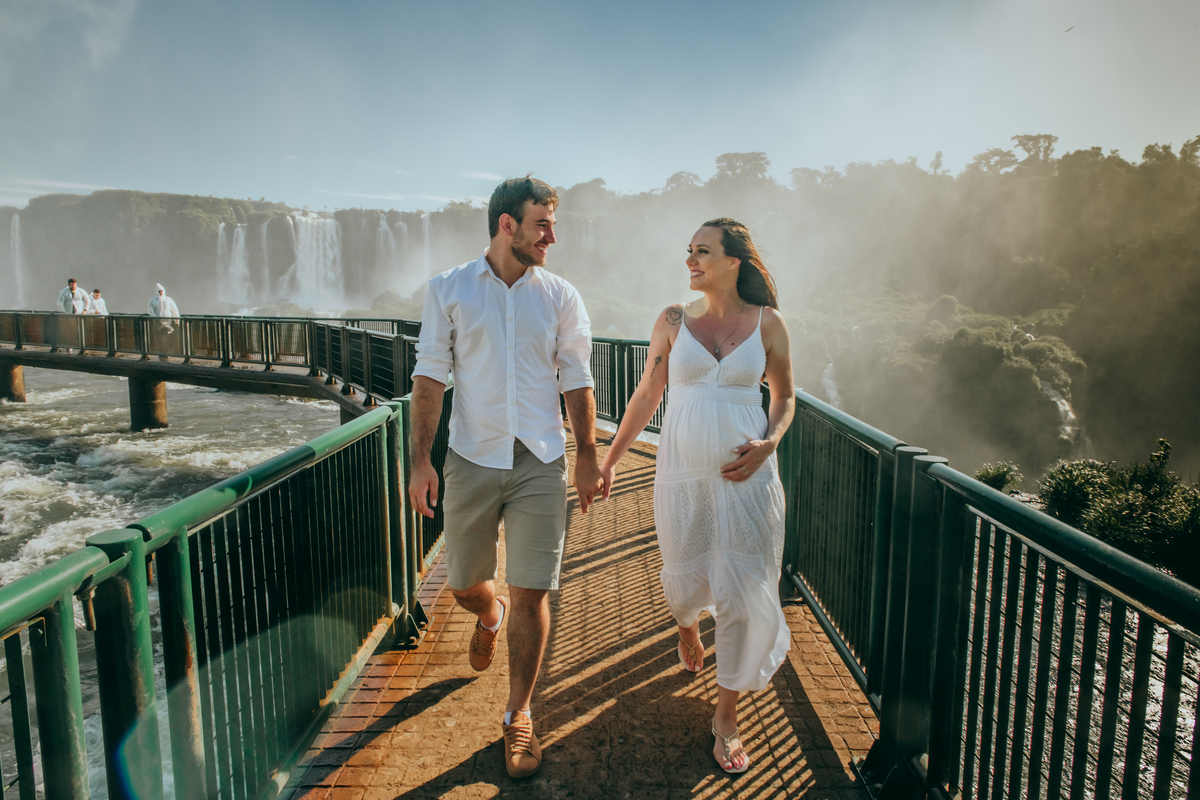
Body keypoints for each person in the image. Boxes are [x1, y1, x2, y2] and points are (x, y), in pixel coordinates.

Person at [407, 176, 603, 780]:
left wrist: (590, 455)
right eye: (541, 223)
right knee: (466, 583)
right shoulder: (450, 290)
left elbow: (576, 378)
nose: (553, 235)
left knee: (532, 590)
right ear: (506, 225)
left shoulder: (561, 296)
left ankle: (518, 713)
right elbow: (431, 377)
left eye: (552, 223)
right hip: (470, 456)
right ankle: (486, 618)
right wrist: (419, 460)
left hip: (541, 459)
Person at [598, 218, 795, 775]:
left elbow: (784, 398)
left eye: (702, 252)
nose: (691, 260)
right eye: (689, 251)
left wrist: (768, 442)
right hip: (681, 475)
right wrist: (610, 459)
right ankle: (686, 624)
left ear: (734, 261)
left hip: (747, 478)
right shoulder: (671, 321)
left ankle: (726, 717)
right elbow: (645, 394)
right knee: (684, 581)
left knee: (743, 588)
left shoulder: (769, 324)